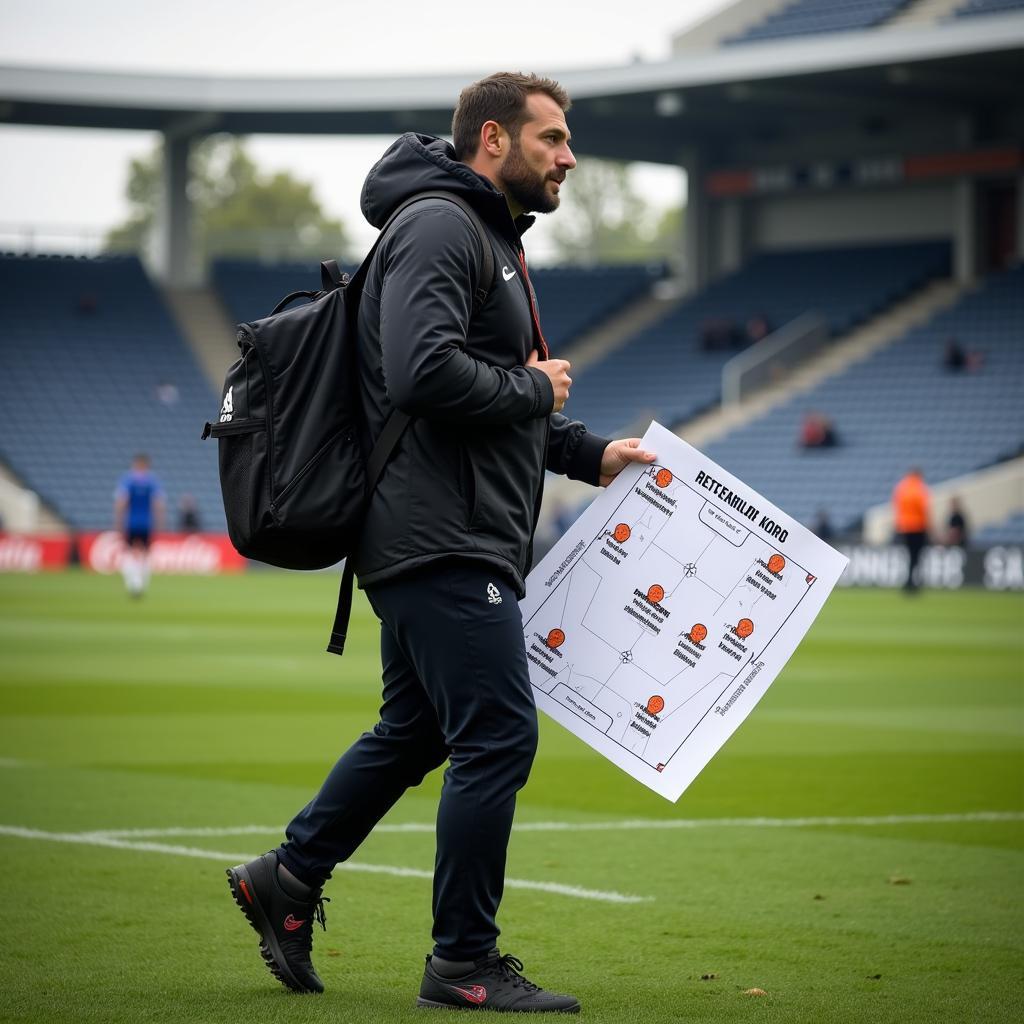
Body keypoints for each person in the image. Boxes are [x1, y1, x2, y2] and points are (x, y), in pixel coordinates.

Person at [225, 72, 655, 1014]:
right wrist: (539, 390)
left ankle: (286, 879)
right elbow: (424, 375)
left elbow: (487, 402)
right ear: (493, 139)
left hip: (447, 530)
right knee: (497, 734)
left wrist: (589, 451)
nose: (569, 157)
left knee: (417, 728)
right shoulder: (439, 225)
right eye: (552, 138)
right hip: (439, 536)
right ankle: (462, 961)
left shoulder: (485, 235)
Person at [113, 453, 165, 598]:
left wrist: (118, 521)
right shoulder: (152, 481)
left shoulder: (128, 480)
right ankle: (142, 582)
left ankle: (134, 582)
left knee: (130, 552)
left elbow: (121, 502)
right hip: (147, 523)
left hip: (131, 522)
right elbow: (158, 503)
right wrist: (160, 522)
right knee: (145, 553)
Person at [892, 467, 931, 593]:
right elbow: (924, 509)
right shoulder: (920, 488)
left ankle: (909, 581)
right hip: (918, 527)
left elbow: (897, 506)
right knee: (917, 556)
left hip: (904, 527)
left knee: (910, 555)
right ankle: (914, 582)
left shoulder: (901, 487)